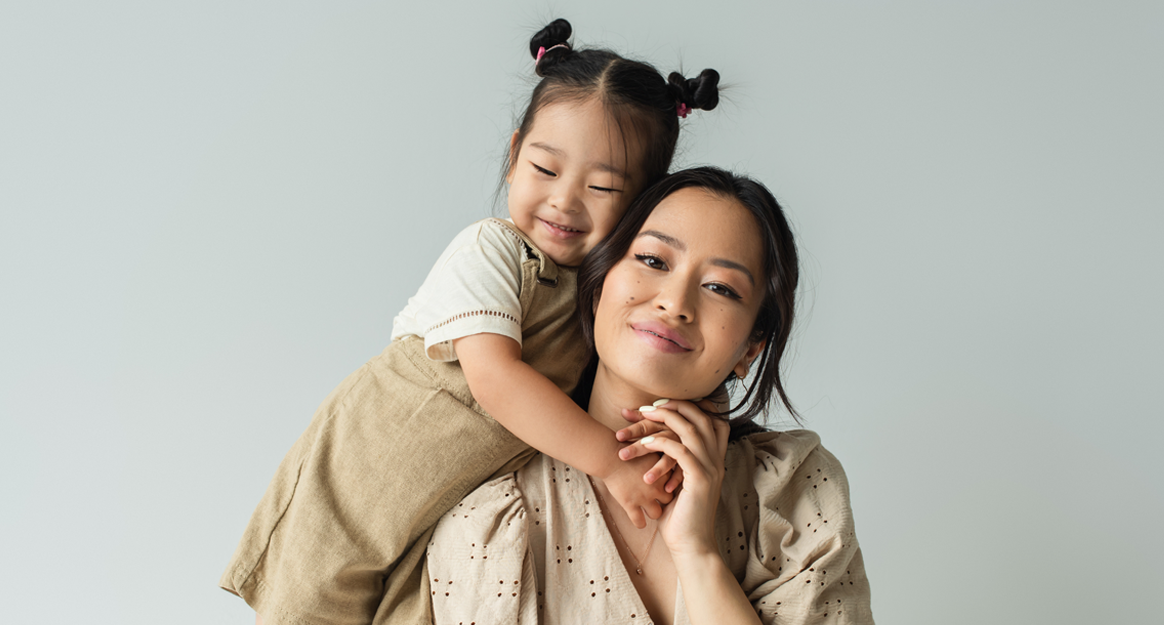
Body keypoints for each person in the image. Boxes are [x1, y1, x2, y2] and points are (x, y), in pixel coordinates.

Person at [219, 19, 723, 625]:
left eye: (601, 186)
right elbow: (494, 378)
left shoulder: (604, 299)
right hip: (357, 481)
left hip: (438, 504)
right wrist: (613, 463)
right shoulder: (492, 251)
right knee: (312, 605)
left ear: (644, 202)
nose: (564, 200)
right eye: (545, 170)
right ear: (513, 157)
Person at [426, 167, 874, 624]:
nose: (676, 302)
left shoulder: (793, 492)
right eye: (654, 261)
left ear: (751, 347)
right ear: (598, 285)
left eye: (720, 288)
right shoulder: (493, 507)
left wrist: (698, 554)